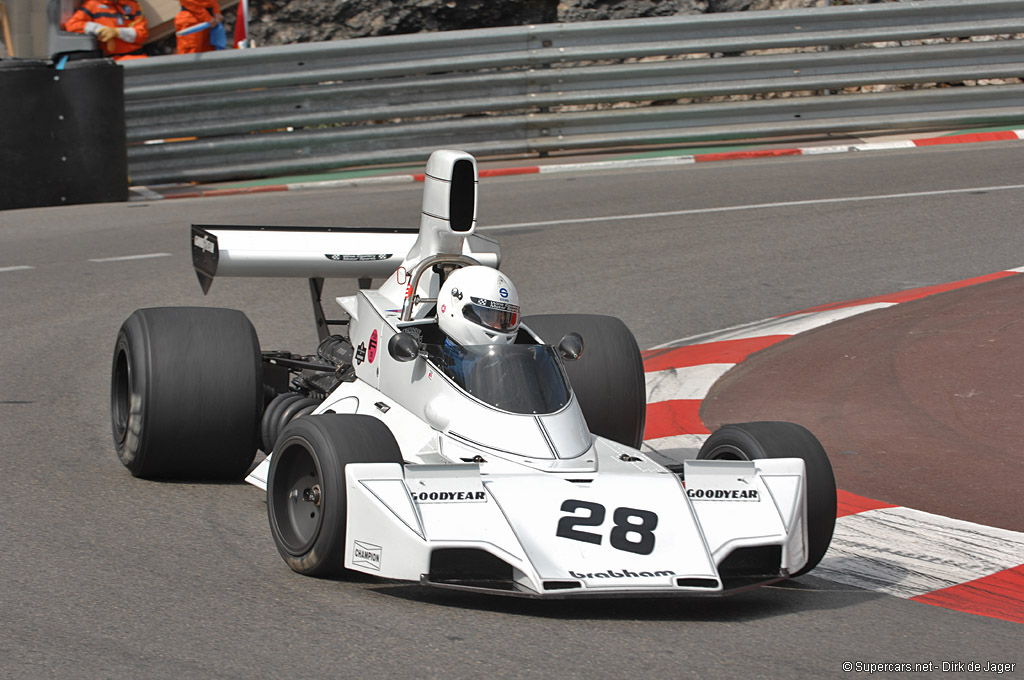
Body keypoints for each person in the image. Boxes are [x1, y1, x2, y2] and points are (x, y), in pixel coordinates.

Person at [64, 0, 149, 61]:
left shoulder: (132, 5)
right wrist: (100, 29)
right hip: (112, 60)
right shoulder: (92, 4)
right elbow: (72, 25)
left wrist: (117, 32)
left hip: (139, 57)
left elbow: (142, 34)